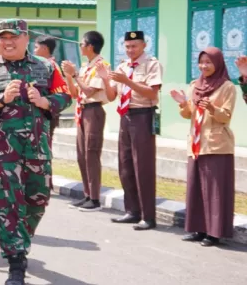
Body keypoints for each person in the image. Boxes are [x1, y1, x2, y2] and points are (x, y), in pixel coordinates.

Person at [0, 19, 71, 285]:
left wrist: (46, 101)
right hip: (3, 152)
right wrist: (1, 100)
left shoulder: (46, 67)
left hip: (37, 148)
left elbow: (65, 94)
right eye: (3, 37)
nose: (7, 42)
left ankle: (21, 240)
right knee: (8, 204)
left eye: (13, 37)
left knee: (37, 201)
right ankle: (16, 262)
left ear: (26, 38)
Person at [171, 48, 236, 247]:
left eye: (208, 62)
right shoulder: (194, 85)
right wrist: (183, 104)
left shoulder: (227, 87)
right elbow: (188, 114)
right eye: (201, 62)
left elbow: (225, 116)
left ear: (218, 63)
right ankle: (198, 229)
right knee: (196, 188)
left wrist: (212, 108)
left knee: (215, 191)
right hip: (196, 144)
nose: (204, 66)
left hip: (217, 145)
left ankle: (214, 233)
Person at [105, 31, 163, 231]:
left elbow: (152, 91)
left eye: (134, 46)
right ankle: (132, 211)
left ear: (144, 45)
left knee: (143, 166)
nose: (130, 50)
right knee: (126, 164)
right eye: (127, 46)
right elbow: (112, 96)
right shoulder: (122, 66)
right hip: (126, 116)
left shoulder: (152, 64)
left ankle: (148, 216)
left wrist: (127, 81)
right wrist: (106, 78)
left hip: (143, 116)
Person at [61, 31, 112, 212]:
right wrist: (69, 75)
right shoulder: (86, 67)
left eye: (82, 44)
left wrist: (75, 75)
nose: (80, 47)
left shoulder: (101, 65)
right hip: (82, 110)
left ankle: (95, 198)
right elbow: (75, 94)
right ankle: (87, 194)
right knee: (82, 154)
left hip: (94, 110)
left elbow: (90, 91)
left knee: (91, 153)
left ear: (90, 46)